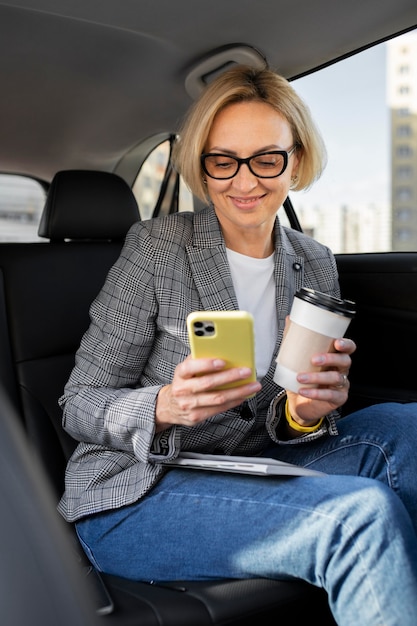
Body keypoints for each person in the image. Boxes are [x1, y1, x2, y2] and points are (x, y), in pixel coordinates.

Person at [58, 65, 417, 625]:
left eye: (265, 159)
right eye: (223, 161)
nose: (244, 182)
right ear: (202, 166)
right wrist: (163, 405)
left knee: (411, 428)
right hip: (140, 490)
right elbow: (80, 403)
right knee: (358, 516)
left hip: (255, 465)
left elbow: (286, 416)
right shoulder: (157, 249)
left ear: (294, 160)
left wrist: (303, 414)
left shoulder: (314, 260)